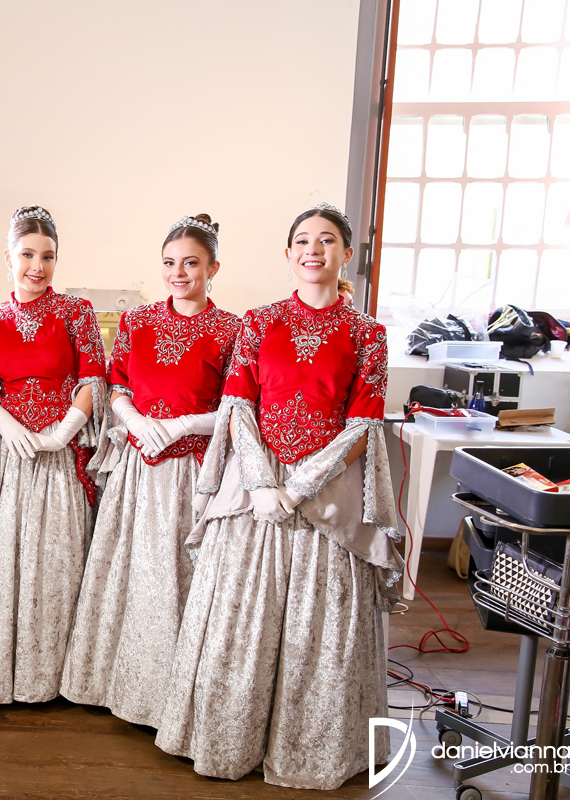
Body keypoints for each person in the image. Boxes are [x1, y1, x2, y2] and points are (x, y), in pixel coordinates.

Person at [155, 203, 402, 790]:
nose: (314, 250)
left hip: (327, 489)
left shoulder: (368, 334)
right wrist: (264, 482)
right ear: (288, 254)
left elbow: (363, 425)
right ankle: (228, 741)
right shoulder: (260, 322)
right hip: (255, 487)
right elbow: (239, 407)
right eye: (303, 241)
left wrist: (297, 487)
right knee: (240, 619)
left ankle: (311, 750)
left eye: (327, 240)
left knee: (319, 628)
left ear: (347, 254)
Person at [61, 214, 240, 727]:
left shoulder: (233, 329)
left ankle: (172, 699)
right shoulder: (137, 322)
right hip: (138, 465)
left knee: (175, 575)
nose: (178, 273)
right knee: (130, 571)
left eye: (190, 263)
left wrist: (182, 424)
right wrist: (138, 421)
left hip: (191, 470)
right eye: (169, 263)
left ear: (213, 268)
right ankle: (115, 684)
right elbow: (117, 386)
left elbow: (237, 405)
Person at [0, 206, 107, 705]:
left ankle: (53, 677)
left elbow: (94, 378)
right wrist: (7, 424)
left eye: (47, 257)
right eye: (27, 255)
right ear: (8, 257)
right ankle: (2, 675)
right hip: (12, 454)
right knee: (9, 560)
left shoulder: (76, 312)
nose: (37, 266)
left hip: (59, 454)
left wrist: (62, 433)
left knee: (55, 561)